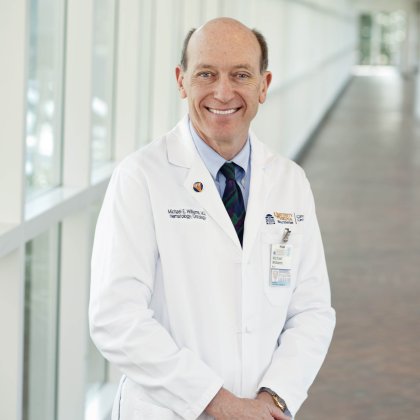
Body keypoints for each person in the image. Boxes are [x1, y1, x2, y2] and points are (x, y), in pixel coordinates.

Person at [89, 17, 335, 420]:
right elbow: (115, 318)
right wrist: (218, 403)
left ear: (264, 86)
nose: (223, 92)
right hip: (167, 410)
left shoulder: (290, 181)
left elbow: (311, 309)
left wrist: (272, 399)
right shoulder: (141, 177)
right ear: (182, 81)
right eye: (207, 74)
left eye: (240, 74)